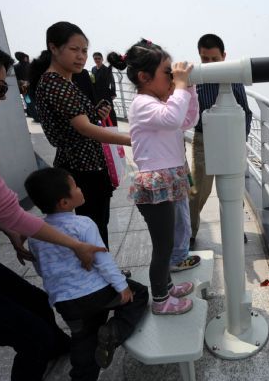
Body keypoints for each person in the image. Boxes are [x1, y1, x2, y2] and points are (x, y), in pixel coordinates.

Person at [0, 35, 106, 381]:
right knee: (31, 336)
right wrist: (75, 245)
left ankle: (64, 351)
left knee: (37, 301)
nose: (3, 99)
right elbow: (11, 211)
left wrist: (10, 231)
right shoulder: (55, 85)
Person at [25, 167, 148, 380]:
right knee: (139, 294)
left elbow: (41, 268)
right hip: (96, 293)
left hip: (66, 302)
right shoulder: (83, 223)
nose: (81, 189)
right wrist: (121, 285)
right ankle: (114, 332)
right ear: (64, 202)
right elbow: (102, 260)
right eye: (76, 186)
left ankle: (83, 376)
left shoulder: (36, 234)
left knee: (83, 338)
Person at [108, 38, 200, 315]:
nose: (173, 79)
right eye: (168, 73)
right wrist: (181, 87)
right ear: (144, 78)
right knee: (163, 247)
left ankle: (167, 287)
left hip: (166, 181)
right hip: (154, 185)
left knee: (168, 241)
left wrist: (190, 90)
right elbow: (173, 118)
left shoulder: (158, 102)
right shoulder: (143, 104)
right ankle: (160, 300)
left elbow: (186, 120)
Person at [29, 22, 131, 249]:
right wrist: (131, 139)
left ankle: (104, 269)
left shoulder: (61, 81)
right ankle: (104, 274)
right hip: (84, 167)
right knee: (94, 223)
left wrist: (95, 113)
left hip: (80, 164)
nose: (81, 56)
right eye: (74, 49)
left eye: (84, 50)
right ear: (54, 48)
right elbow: (83, 128)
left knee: (95, 222)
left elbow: (76, 122)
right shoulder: (56, 84)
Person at [189, 33, 253, 247]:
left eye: (214, 60)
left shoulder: (233, 77)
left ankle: (236, 228)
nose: (209, 65)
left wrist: (239, 141)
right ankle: (189, 231)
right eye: (204, 59)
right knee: (199, 190)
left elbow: (245, 112)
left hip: (229, 140)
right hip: (203, 140)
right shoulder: (196, 79)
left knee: (234, 188)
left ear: (224, 57)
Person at [91, 53, 117, 125]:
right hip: (97, 94)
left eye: (99, 58)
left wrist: (113, 93)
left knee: (110, 111)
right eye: (95, 59)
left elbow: (112, 82)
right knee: (100, 111)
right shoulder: (93, 69)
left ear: (102, 59)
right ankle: (103, 126)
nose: (97, 60)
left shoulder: (106, 69)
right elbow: (93, 81)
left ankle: (114, 127)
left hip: (106, 93)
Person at [14, 51, 39, 121]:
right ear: (24, 57)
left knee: (28, 101)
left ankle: (32, 114)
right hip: (32, 86)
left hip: (24, 87)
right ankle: (34, 115)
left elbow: (16, 78)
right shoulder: (30, 65)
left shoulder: (15, 67)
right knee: (32, 101)